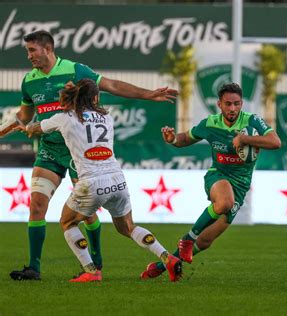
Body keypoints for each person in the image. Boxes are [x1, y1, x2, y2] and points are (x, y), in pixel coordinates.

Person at [0, 30, 177, 281]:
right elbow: (26, 116)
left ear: (47, 49)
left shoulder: (75, 70)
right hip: (50, 150)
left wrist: (148, 94)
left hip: (79, 153)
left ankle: (96, 262)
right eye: (27, 51)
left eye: (32, 50)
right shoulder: (29, 80)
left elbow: (113, 85)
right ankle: (34, 268)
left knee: (87, 214)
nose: (28, 56)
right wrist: (7, 127)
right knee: (37, 205)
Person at [24, 78, 182, 282]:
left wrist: (27, 127)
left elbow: (35, 128)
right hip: (118, 180)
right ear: (96, 98)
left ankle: (91, 271)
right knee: (128, 227)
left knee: (68, 222)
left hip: (91, 182)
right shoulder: (106, 118)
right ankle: (167, 257)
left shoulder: (65, 118)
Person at [140, 82, 281, 279]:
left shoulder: (252, 121)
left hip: (241, 185)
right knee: (224, 202)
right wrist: (172, 138)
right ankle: (187, 239)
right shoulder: (210, 124)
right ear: (219, 104)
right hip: (218, 175)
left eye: (237, 104)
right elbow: (185, 139)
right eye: (228, 104)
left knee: (206, 241)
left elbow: (275, 142)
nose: (233, 108)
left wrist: (244, 140)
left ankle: (164, 265)